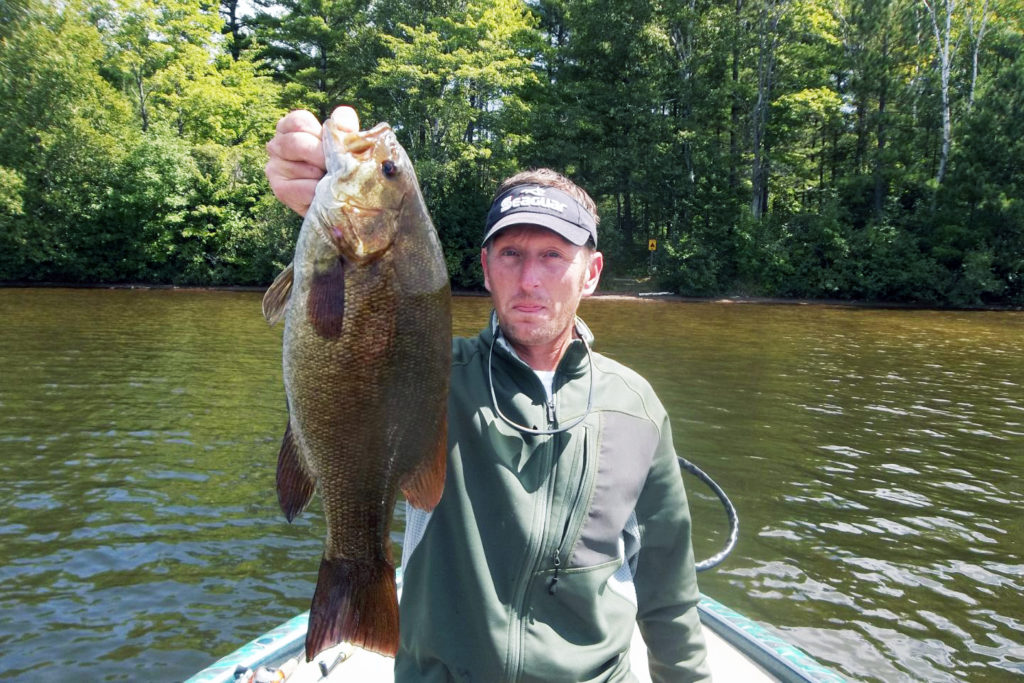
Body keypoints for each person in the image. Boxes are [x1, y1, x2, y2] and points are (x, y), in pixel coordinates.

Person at [266, 106, 711, 682]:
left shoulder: (637, 407)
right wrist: (316, 215)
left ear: (592, 272)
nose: (530, 280)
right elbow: (356, 350)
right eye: (511, 254)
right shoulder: (434, 373)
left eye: (553, 256)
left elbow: (669, 593)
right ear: (485, 266)